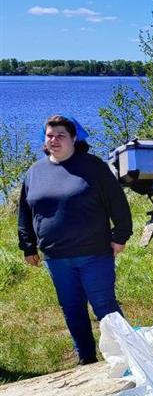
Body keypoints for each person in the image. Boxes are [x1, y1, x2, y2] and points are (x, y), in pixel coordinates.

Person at [18, 116, 132, 365]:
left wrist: (121, 235)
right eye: (49, 135)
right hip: (56, 257)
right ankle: (87, 360)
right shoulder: (35, 172)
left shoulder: (93, 167)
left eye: (60, 135)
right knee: (72, 309)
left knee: (105, 308)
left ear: (73, 139)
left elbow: (118, 203)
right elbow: (25, 212)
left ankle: (128, 357)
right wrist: (27, 245)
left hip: (94, 253)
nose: (54, 140)